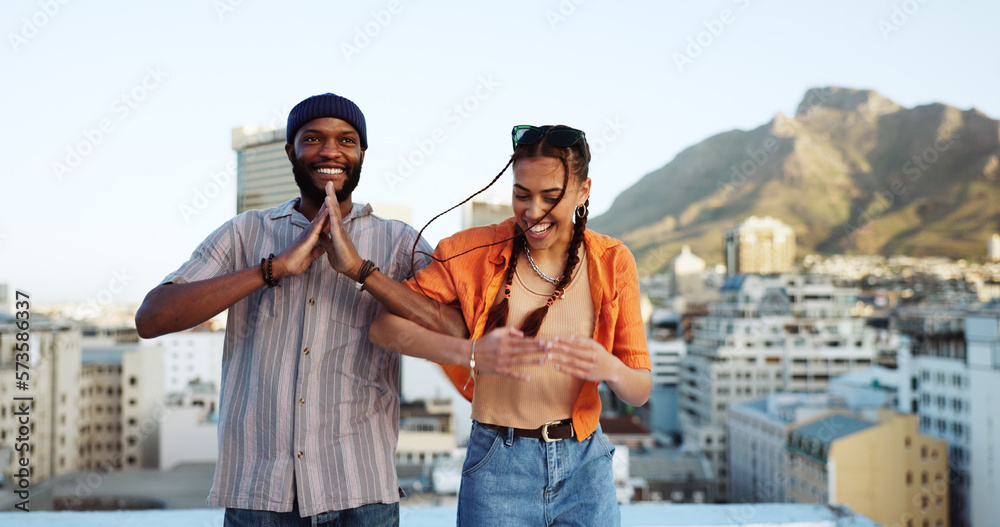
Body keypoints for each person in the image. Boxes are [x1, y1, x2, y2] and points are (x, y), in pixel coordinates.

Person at [134, 93, 464, 526]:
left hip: (361, 494)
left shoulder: (400, 243)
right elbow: (152, 318)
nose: (331, 150)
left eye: (346, 140)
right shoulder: (244, 233)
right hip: (258, 497)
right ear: (290, 151)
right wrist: (273, 268)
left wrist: (362, 271)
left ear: (362, 153)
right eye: (313, 138)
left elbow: (457, 331)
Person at [363, 124, 652, 526]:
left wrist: (610, 368)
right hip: (498, 465)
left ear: (583, 191)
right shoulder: (471, 251)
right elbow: (384, 328)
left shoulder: (613, 262)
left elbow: (639, 390)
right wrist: (471, 352)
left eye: (551, 197)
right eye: (522, 194)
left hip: (586, 467)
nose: (533, 212)